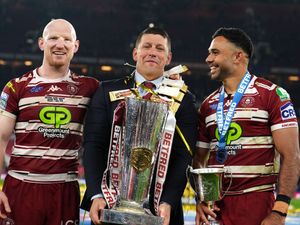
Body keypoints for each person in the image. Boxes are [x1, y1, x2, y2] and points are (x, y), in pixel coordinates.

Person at [80, 27, 198, 225]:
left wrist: (168, 201)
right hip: (109, 203)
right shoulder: (107, 91)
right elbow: (93, 145)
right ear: (135, 53)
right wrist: (96, 195)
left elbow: (183, 156)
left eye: (159, 48)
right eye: (147, 46)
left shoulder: (183, 99)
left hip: (160, 209)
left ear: (168, 58)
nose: (153, 52)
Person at [193, 27, 300, 225]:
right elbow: (199, 159)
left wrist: (280, 210)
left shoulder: (273, 95)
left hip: (257, 206)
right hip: (216, 211)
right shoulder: (208, 104)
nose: (208, 59)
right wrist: (201, 198)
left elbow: (292, 155)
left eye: (215, 52)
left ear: (237, 57)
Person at [0, 19, 99, 225]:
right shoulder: (16, 87)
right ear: (41, 43)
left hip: (64, 189)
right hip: (20, 188)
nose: (60, 44)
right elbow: (0, 138)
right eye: (53, 38)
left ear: (76, 45)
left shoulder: (90, 88)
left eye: (66, 39)